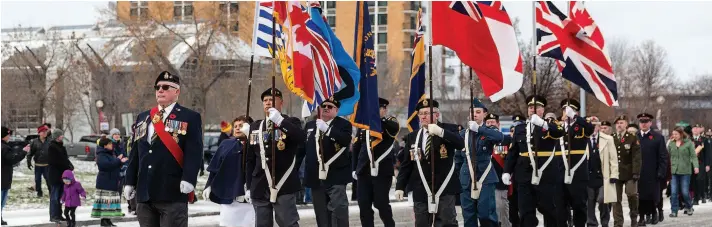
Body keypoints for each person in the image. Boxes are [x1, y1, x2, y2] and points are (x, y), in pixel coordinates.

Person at [123, 71, 204, 227]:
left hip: (172, 191)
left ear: (177, 91)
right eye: (158, 87)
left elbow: (194, 151)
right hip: (145, 192)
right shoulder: (144, 117)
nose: (160, 90)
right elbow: (136, 153)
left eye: (166, 87)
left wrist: (189, 178)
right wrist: (129, 181)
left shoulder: (189, 117)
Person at [395, 98, 464, 227]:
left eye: (427, 113)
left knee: (447, 223)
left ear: (437, 115)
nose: (423, 117)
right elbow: (407, 164)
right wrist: (400, 186)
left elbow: (460, 144)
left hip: (444, 187)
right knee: (421, 223)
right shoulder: (413, 136)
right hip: (421, 187)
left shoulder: (449, 129)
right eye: (421, 114)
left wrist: (441, 132)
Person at [245, 88, 306, 227]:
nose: (267, 103)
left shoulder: (291, 122)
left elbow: (301, 138)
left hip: (283, 183)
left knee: (288, 223)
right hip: (260, 184)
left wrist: (280, 121)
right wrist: (248, 185)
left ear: (281, 103)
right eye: (265, 100)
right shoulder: (256, 126)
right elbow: (250, 160)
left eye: (271, 100)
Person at [503, 95, 566, 227]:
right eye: (531, 107)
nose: (533, 110)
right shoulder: (520, 129)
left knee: (548, 209)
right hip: (524, 176)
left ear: (542, 110)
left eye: (537, 107)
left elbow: (560, 132)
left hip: (546, 176)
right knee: (525, 211)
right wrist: (507, 171)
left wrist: (543, 124)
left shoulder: (549, 125)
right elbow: (513, 152)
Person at [302, 97, 352, 227]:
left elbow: (345, 140)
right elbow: (302, 150)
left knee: (339, 211)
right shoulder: (310, 125)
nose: (325, 108)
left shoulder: (343, 124)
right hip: (315, 177)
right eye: (323, 106)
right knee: (322, 215)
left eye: (330, 107)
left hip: (336, 175)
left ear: (336, 110)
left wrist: (328, 130)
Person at [457, 100, 503, 227]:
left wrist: (479, 129)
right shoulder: (462, 135)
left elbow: (499, 138)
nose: (474, 115)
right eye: (472, 112)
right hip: (466, 179)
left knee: (486, 214)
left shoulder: (488, 131)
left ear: (484, 114)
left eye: (478, 112)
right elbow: (457, 159)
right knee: (468, 216)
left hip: (485, 177)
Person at [354, 98, 399, 227]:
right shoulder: (364, 125)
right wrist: (354, 168)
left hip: (382, 171)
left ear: (384, 110)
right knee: (364, 204)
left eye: (376, 109)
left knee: (381, 203)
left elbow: (393, 128)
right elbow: (357, 147)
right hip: (364, 170)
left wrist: (376, 119)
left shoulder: (390, 122)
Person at [203, 116, 255, 227]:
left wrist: (250, 139)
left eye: (241, 126)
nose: (237, 128)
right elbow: (215, 168)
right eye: (235, 126)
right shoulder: (226, 144)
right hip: (229, 197)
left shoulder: (256, 146)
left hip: (249, 200)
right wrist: (208, 185)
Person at [557, 99, 594, 227]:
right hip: (560, 174)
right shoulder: (557, 128)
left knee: (579, 207)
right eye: (564, 110)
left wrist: (575, 117)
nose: (566, 112)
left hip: (578, 175)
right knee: (560, 208)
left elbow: (590, 128)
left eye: (569, 110)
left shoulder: (582, 127)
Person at [635, 113, 667, 226]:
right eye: (641, 121)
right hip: (638, 172)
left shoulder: (658, 137)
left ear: (650, 123)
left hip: (653, 172)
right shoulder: (635, 136)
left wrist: (661, 171)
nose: (643, 124)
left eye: (646, 121)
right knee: (640, 196)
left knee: (652, 195)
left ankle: (654, 213)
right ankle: (642, 217)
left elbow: (663, 156)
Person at [586, 120, 619, 227]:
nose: (593, 128)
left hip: (603, 176)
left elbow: (613, 159)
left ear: (598, 127)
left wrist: (614, 175)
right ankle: (591, 223)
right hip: (588, 176)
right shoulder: (583, 139)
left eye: (595, 126)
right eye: (590, 125)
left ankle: (604, 222)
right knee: (589, 201)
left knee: (602, 200)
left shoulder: (608, 139)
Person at [610, 115, 641, 227]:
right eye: (617, 123)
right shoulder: (611, 137)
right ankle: (618, 222)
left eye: (621, 122)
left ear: (626, 124)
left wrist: (636, 172)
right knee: (615, 199)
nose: (619, 125)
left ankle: (634, 217)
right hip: (615, 173)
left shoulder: (632, 138)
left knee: (632, 194)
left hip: (629, 172)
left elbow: (636, 157)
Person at [93, 137, 128, 226]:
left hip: (111, 180)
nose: (111, 145)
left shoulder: (109, 154)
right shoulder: (101, 155)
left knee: (109, 201)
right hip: (105, 181)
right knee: (106, 201)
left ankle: (108, 220)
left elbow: (114, 164)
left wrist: (120, 162)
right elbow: (106, 165)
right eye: (109, 144)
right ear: (105, 146)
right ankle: (104, 221)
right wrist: (118, 160)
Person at [667, 127, 697, 217]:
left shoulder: (688, 143)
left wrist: (696, 166)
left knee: (684, 192)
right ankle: (674, 211)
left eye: (676, 134)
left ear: (681, 134)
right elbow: (667, 156)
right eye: (673, 134)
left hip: (685, 171)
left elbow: (693, 156)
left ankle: (689, 206)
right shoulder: (671, 144)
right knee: (674, 192)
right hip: (674, 171)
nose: (674, 136)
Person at [2, 126, 28, 225]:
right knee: (1, 201)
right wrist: (24, 152)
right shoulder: (4, 148)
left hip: (4, 177)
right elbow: (12, 159)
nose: (9, 136)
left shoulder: (4, 146)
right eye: (8, 134)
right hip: (3, 178)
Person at [47, 128, 72, 223]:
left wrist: (69, 166)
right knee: (54, 196)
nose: (62, 136)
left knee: (61, 197)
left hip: (62, 175)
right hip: (55, 175)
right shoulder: (52, 147)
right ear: (57, 136)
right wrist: (65, 165)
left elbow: (65, 159)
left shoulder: (61, 146)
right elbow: (54, 161)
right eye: (61, 135)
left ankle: (59, 214)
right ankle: (53, 215)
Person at [27, 125, 51, 198]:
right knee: (37, 180)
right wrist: (29, 162)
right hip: (38, 165)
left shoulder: (50, 141)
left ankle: (51, 191)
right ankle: (39, 192)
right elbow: (30, 153)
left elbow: (53, 153)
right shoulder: (34, 142)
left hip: (47, 165)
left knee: (48, 179)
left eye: (46, 132)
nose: (45, 133)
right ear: (39, 133)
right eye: (43, 132)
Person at [691, 124, 710, 205]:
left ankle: (702, 195)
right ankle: (695, 197)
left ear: (700, 130)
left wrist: (707, 164)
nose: (695, 129)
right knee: (693, 181)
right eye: (694, 128)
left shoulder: (704, 140)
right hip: (691, 163)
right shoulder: (689, 140)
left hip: (701, 162)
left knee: (700, 179)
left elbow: (708, 153)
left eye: (697, 128)